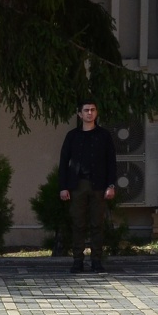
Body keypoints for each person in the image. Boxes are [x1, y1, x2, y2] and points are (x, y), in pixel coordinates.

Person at [58, 100, 117, 273]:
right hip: (78, 185)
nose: (89, 113)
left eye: (92, 110)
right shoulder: (72, 136)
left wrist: (111, 185)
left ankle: (96, 261)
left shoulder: (104, 136)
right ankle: (78, 261)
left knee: (97, 224)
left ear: (96, 113)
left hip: (99, 185)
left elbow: (111, 163)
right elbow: (63, 162)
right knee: (78, 224)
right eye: (86, 110)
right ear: (80, 114)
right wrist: (63, 187)